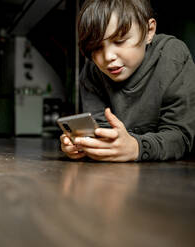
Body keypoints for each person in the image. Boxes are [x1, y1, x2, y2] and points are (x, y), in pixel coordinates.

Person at [60, 0, 195, 162]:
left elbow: (181, 137)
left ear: (149, 30)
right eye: (96, 47)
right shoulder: (91, 70)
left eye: (119, 41)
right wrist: (85, 144)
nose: (108, 57)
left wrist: (137, 148)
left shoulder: (173, 56)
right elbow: (101, 131)